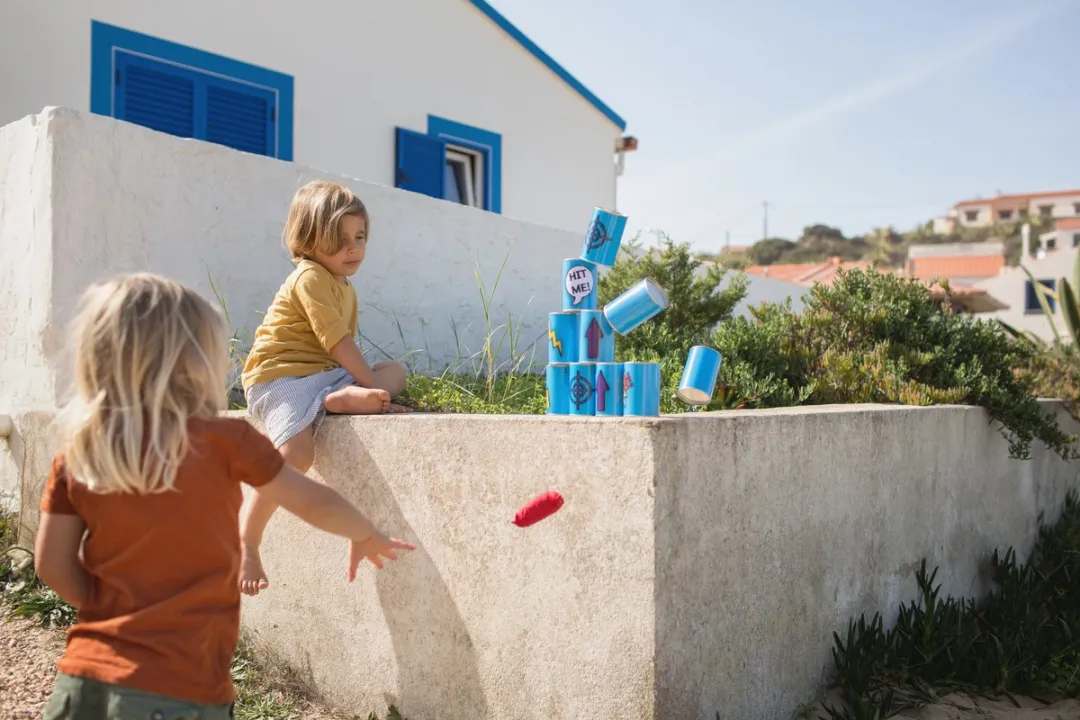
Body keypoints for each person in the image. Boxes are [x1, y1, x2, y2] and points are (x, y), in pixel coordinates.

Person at [35, 273, 414, 719]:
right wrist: (363, 532)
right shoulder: (224, 441)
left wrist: (113, 615)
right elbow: (311, 500)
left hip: (84, 683)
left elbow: (52, 565)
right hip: (183, 688)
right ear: (197, 361)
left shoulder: (80, 453)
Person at [239, 180, 410, 596]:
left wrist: (373, 381)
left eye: (360, 238)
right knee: (297, 454)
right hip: (280, 377)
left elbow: (337, 353)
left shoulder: (343, 284)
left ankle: (332, 400)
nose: (353, 249)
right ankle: (247, 541)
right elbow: (337, 342)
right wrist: (367, 382)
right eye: (339, 240)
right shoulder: (310, 277)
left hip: (321, 374)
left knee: (396, 373)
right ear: (308, 241)